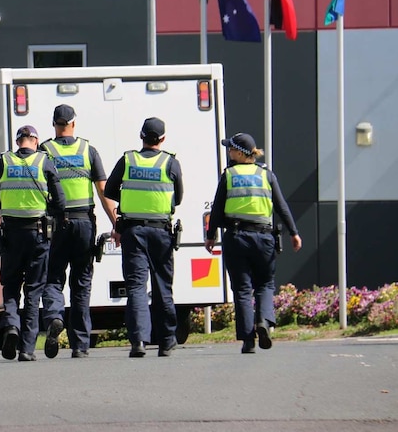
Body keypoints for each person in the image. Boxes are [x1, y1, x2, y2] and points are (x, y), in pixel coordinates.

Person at [205, 132, 303, 354]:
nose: (228, 152)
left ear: (240, 153)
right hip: (264, 238)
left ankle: (248, 341)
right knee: (265, 284)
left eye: (230, 149)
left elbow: (217, 209)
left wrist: (211, 235)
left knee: (241, 289)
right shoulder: (266, 175)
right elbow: (281, 206)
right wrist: (294, 233)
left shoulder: (228, 176)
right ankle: (264, 321)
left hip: (237, 237)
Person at [39, 104, 116, 359]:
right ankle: (80, 345)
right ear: (73, 123)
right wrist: (117, 223)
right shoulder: (88, 150)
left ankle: (53, 317)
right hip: (84, 221)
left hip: (57, 223)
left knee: (53, 278)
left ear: (54, 125)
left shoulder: (45, 151)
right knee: (81, 284)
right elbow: (103, 192)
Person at [104, 117, 183, 358]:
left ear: (141, 136)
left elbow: (109, 190)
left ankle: (139, 341)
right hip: (161, 231)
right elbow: (178, 197)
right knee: (162, 286)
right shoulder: (171, 162)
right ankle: (167, 342)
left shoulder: (128, 160)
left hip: (133, 231)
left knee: (136, 287)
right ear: (162, 139)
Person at [0, 125, 66, 362]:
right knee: (33, 289)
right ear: (36, 141)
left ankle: (11, 326)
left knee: (10, 286)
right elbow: (60, 202)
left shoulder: (4, 162)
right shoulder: (44, 162)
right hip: (38, 234)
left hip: (10, 233)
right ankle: (27, 349)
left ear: (18, 140)